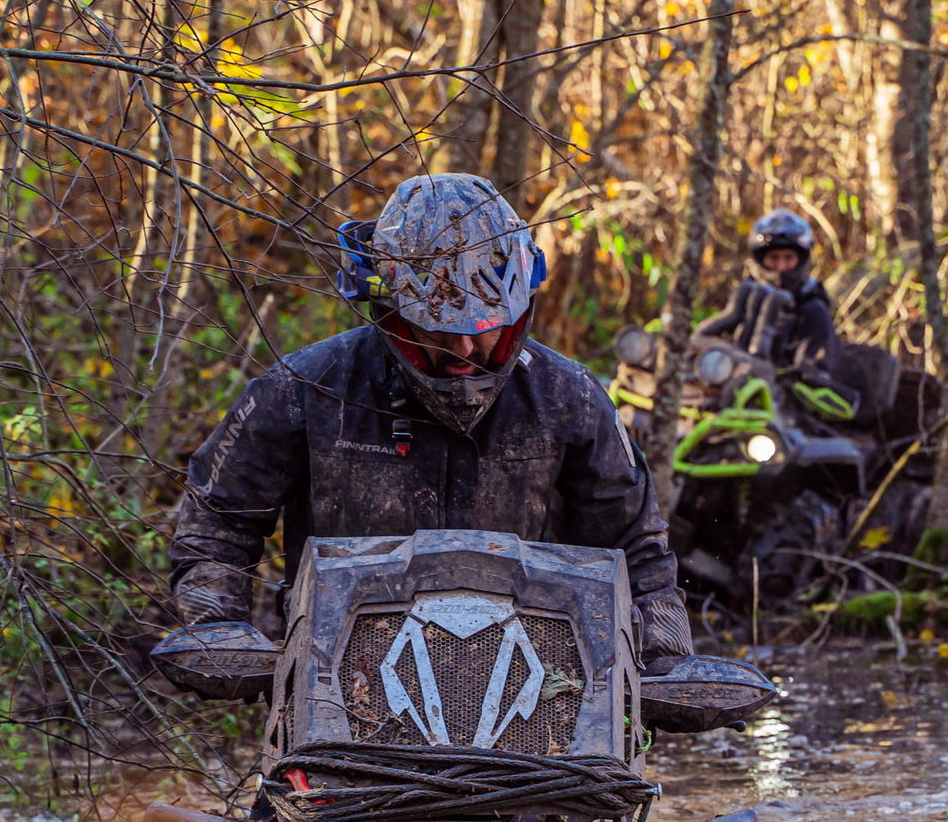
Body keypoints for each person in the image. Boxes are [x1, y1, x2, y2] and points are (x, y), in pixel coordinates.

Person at [167, 174, 691, 668]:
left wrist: (666, 655)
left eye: (484, 326)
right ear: (393, 310)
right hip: (341, 678)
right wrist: (217, 626)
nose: (464, 347)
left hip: (533, 679)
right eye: (439, 327)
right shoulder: (307, 387)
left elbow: (635, 546)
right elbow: (220, 514)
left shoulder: (568, 395)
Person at [699, 208, 837, 376]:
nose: (781, 267)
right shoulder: (744, 295)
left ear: (801, 260)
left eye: (788, 258)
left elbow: (816, 371)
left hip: (783, 393)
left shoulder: (813, 308)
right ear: (760, 260)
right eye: (773, 258)